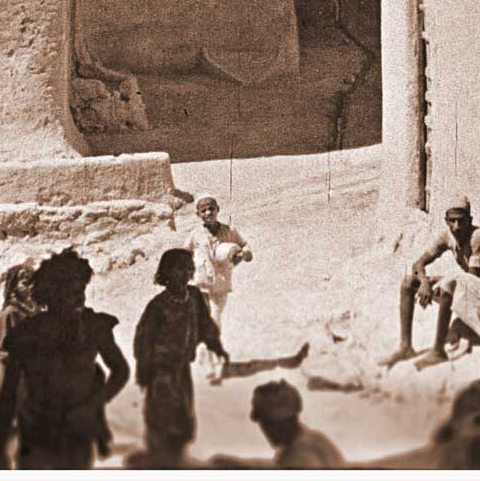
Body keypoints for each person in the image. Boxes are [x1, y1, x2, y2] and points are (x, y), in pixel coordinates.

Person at [0, 249, 129, 470]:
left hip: (77, 436)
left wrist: (94, 404)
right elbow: (9, 392)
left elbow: (120, 370)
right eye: (69, 293)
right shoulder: (26, 335)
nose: (79, 298)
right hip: (37, 435)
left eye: (81, 290)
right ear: (50, 296)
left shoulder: (94, 327)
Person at [380, 194, 480, 369]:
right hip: (471, 285)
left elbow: (472, 279)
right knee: (409, 282)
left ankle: (438, 351)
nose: (457, 226)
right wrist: (424, 282)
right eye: (452, 221)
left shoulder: (478, 237)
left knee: (449, 285)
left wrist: (442, 282)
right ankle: (405, 346)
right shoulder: (447, 236)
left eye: (461, 221)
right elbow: (418, 263)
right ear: (446, 221)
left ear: (470, 220)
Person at [133, 248, 229, 467]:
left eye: (188, 268)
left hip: (182, 368)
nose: (185, 273)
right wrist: (144, 368)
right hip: (161, 370)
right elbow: (143, 339)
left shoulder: (195, 297)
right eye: (179, 269)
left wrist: (215, 345)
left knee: (182, 415)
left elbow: (205, 324)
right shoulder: (158, 305)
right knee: (162, 415)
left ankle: (176, 459)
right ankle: (160, 460)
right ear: (167, 272)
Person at [185, 193, 252, 383]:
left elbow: (245, 246)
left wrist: (244, 255)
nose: (208, 213)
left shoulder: (229, 231)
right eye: (203, 210)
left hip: (221, 284)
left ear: (217, 210)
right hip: (200, 284)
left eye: (211, 209)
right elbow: (184, 253)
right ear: (198, 214)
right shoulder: (195, 234)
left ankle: (211, 360)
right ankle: (210, 363)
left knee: (214, 321)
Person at [211, 380, 345, 469]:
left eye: (266, 424)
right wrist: (239, 465)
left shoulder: (298, 457)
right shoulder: (315, 439)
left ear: (279, 422)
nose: (264, 431)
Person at [0, 260, 38, 355]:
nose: (30, 287)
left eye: (33, 283)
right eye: (25, 283)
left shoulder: (36, 306)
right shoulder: (10, 310)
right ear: (14, 287)